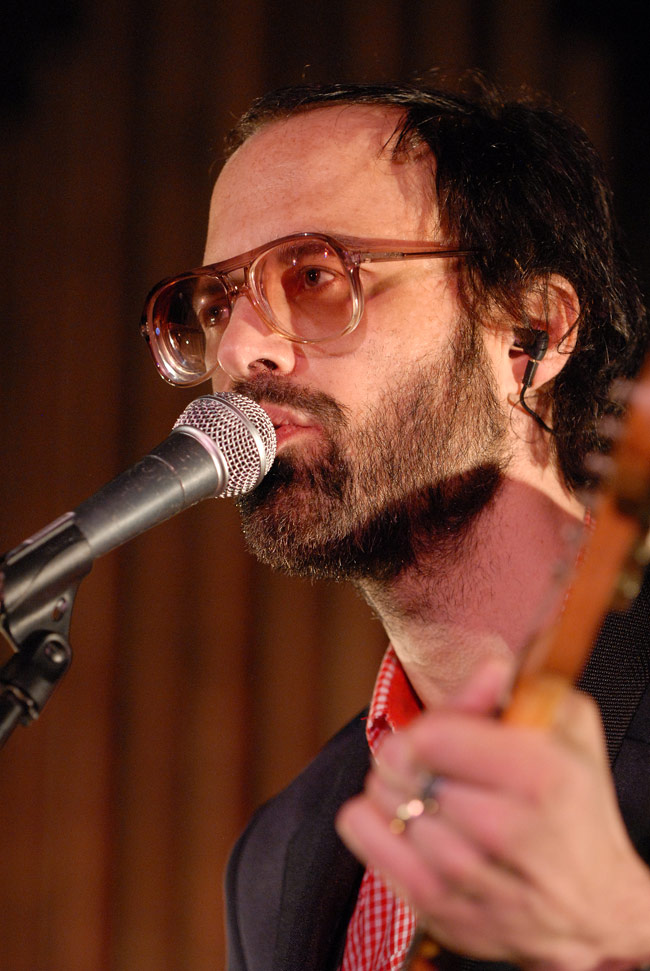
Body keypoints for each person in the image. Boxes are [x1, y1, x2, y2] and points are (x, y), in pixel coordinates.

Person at [140, 79, 650, 971]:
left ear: (531, 331)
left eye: (313, 275)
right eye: (218, 306)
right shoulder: (279, 855)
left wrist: (626, 932)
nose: (236, 352)